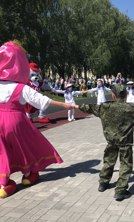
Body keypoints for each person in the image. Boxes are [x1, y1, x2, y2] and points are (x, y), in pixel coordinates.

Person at [0, 41, 78, 198]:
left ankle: (3, 184)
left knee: (2, 151)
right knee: (28, 146)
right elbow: (43, 101)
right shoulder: (21, 88)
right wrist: (66, 105)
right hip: (15, 121)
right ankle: (29, 174)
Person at [79, 84, 134, 201]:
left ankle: (103, 183)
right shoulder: (130, 108)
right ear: (125, 95)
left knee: (108, 162)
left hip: (111, 141)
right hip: (125, 143)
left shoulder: (105, 107)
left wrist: (80, 98)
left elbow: (87, 106)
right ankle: (120, 190)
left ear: (113, 95)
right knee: (125, 165)